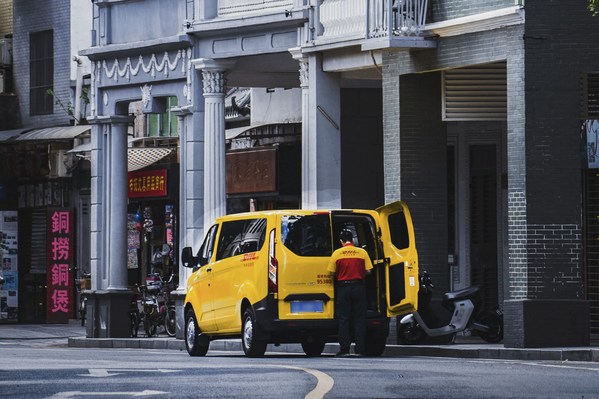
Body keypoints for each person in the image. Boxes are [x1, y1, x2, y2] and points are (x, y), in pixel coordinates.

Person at [327, 229, 373, 357]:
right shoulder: (362, 252)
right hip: (358, 287)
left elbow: (331, 272)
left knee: (344, 319)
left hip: (344, 288)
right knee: (359, 319)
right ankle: (360, 349)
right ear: (352, 240)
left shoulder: (337, 254)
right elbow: (369, 271)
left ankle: (344, 349)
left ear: (341, 241)